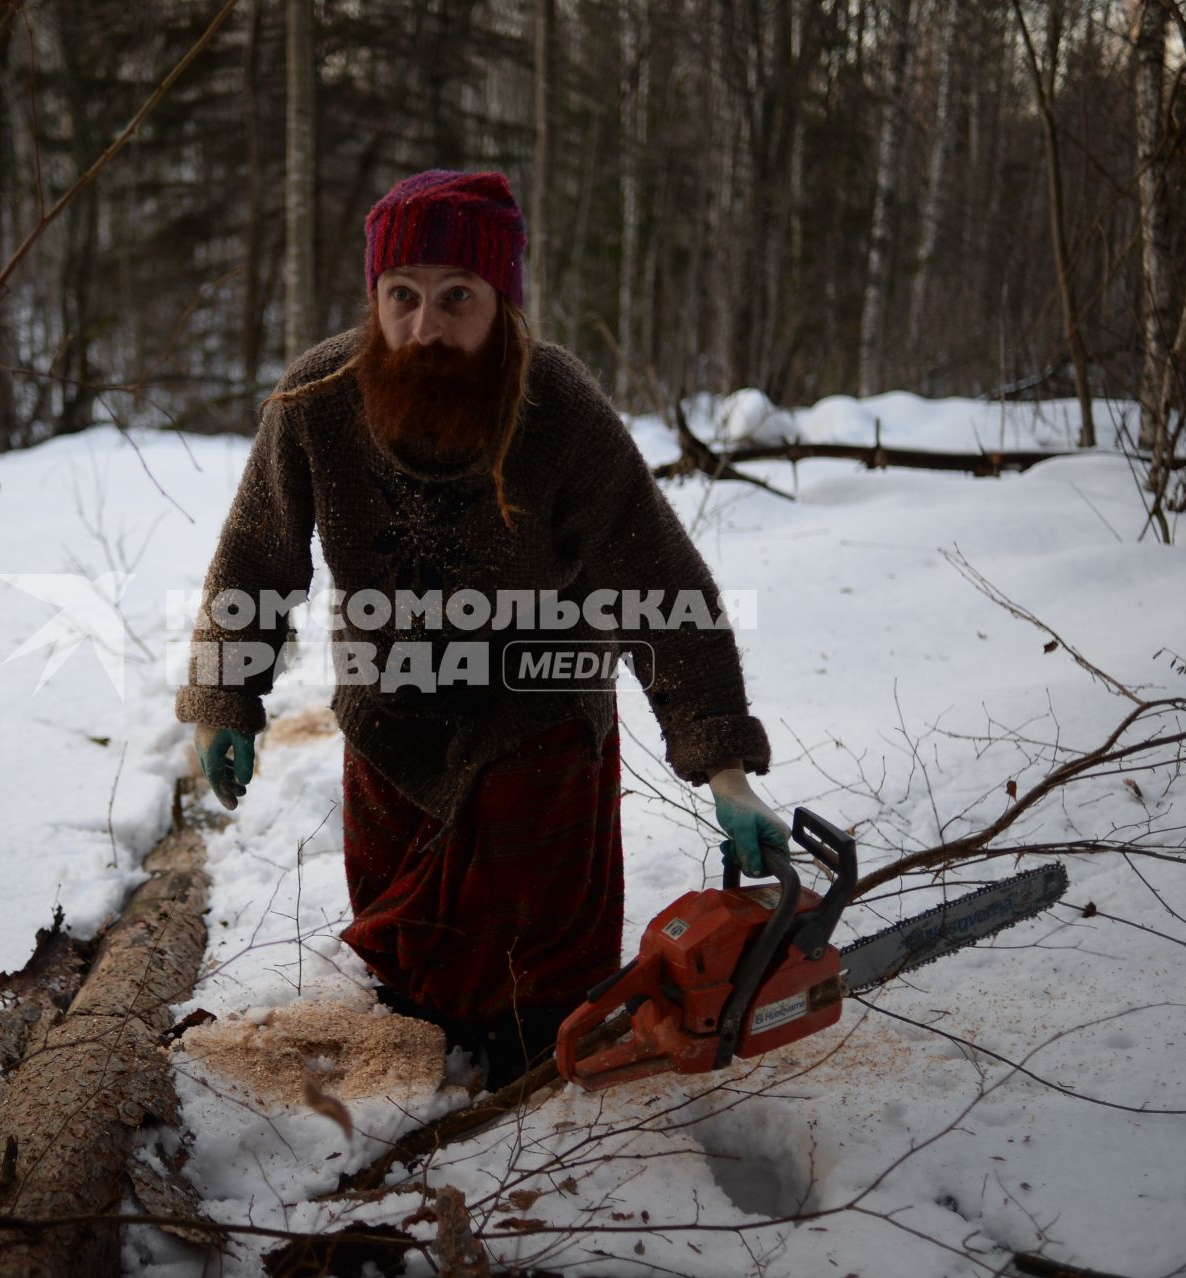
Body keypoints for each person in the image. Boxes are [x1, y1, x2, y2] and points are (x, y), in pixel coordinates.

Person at [176, 169, 787, 1088]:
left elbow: (659, 584)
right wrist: (225, 699)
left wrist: (726, 767)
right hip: (388, 717)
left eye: (457, 298)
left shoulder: (560, 408)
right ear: (374, 299)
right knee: (411, 980)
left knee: (530, 994)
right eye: (403, 297)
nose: (425, 328)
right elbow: (258, 557)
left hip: (535, 724)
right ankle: (423, 1051)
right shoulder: (315, 401)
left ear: (502, 303)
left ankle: (536, 1058)